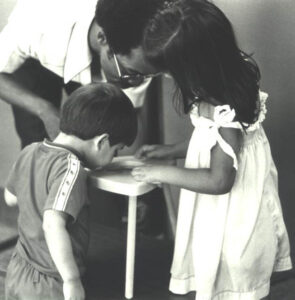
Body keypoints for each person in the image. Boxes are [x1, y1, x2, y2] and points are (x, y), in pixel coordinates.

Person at [132, 0, 292, 299]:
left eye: (170, 71)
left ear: (196, 64)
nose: (167, 77)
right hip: (218, 200)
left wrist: (162, 173)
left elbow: (220, 180)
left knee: (233, 263)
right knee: (214, 260)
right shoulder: (217, 85)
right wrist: (171, 151)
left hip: (234, 204)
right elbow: (208, 140)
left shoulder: (225, 108)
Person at [4, 82, 137, 300]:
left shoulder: (30, 151)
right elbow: (52, 224)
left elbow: (10, 198)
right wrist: (72, 280)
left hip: (18, 268)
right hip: (50, 280)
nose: (112, 158)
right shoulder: (71, 168)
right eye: (116, 151)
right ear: (102, 141)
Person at [0, 0, 164, 147]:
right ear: (103, 39)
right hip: (34, 61)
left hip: (98, 51)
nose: (135, 83)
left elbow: (126, 126)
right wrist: (43, 109)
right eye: (131, 73)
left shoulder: (139, 61)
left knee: (98, 133)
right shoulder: (37, 25)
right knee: (39, 142)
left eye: (144, 76)